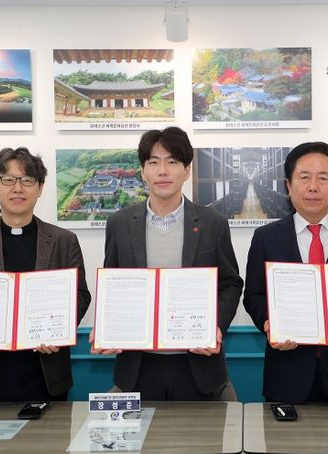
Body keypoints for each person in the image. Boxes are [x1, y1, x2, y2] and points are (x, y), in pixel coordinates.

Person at [92, 126, 243, 401]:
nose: (162, 171)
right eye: (153, 162)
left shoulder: (213, 223)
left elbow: (230, 284)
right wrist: (106, 326)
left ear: (186, 170)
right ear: (142, 171)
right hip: (138, 365)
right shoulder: (119, 224)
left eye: (172, 162)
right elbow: (113, 285)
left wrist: (216, 327)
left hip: (196, 363)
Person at [0, 147, 91, 402]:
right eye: (8, 180)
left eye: (27, 180)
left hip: (46, 373)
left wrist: (60, 331)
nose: (18, 188)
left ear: (40, 188)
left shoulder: (64, 241)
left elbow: (80, 295)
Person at [243, 141, 328, 405]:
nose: (313, 187)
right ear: (289, 185)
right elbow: (254, 295)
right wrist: (269, 323)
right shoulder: (266, 238)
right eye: (304, 177)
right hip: (287, 375)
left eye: (323, 178)